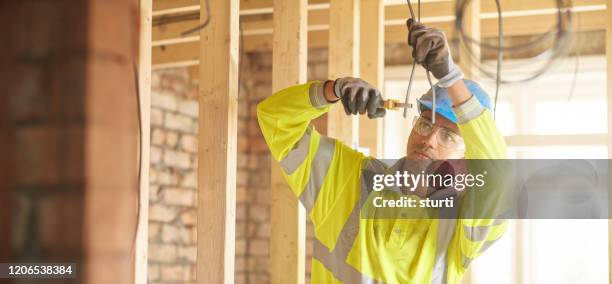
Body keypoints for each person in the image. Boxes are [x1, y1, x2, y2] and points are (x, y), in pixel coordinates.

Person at [257, 21, 508, 283]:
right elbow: (274, 119)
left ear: (465, 159)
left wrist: (451, 79)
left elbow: (500, 178)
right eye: (425, 124)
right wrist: (332, 90)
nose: (429, 140)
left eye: (448, 136)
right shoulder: (347, 178)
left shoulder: (463, 219)